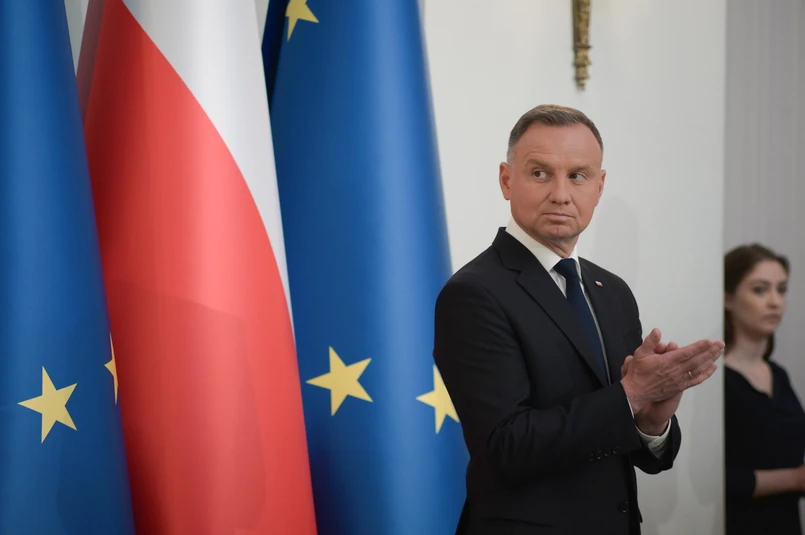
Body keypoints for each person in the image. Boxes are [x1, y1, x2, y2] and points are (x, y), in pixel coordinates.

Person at [433, 104, 725, 535]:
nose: (561, 194)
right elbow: (507, 447)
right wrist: (630, 395)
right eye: (540, 173)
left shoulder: (613, 291)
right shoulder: (474, 293)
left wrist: (651, 420)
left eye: (577, 176)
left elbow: (642, 456)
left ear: (599, 186)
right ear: (506, 180)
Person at [724, 244, 805, 534]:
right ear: (728, 297)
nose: (775, 302)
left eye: (781, 290)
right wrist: (795, 479)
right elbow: (714, 478)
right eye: (760, 290)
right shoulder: (718, 381)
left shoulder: (779, 375)